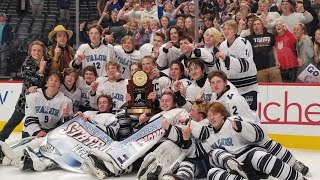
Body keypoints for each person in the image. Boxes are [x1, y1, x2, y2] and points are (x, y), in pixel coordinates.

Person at [208, 70, 309, 176]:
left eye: (218, 82)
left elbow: (242, 120)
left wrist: (245, 131)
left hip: (248, 130)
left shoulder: (233, 100)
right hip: (238, 134)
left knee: (268, 144)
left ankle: (294, 163)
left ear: (225, 82)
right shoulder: (215, 97)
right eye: (213, 82)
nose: (215, 85)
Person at [182, 102, 308, 180]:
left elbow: (259, 134)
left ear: (223, 115)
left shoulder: (233, 120)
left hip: (250, 158)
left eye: (214, 114)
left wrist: (241, 127)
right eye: (209, 115)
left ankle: (297, 176)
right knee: (212, 173)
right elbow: (195, 153)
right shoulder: (208, 134)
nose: (211, 118)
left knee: (261, 156)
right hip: (234, 168)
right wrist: (186, 139)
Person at [83, 92, 189, 179]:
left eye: (168, 101)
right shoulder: (154, 115)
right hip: (146, 143)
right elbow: (141, 132)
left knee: (163, 148)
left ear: (174, 103)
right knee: (132, 151)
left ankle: (153, 170)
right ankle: (107, 168)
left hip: (162, 142)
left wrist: (169, 127)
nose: (164, 103)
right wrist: (142, 123)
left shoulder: (180, 111)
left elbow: (184, 133)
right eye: (162, 101)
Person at [0, 72, 73, 168]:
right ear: (47, 81)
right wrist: (37, 131)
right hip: (31, 130)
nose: (53, 83)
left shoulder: (66, 100)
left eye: (56, 81)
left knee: (46, 148)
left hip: (49, 133)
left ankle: (16, 158)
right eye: (51, 80)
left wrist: (66, 116)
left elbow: (66, 126)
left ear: (60, 84)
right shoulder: (34, 95)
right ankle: (9, 153)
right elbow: (30, 116)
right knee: (33, 143)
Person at [0, 41, 50, 142]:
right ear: (30, 51)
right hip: (25, 100)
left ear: (43, 52)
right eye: (34, 50)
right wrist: (41, 70)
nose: (37, 52)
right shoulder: (27, 63)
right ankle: (1, 138)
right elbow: (34, 82)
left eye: (39, 50)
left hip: (41, 101)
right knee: (14, 120)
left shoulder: (47, 61)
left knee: (36, 123)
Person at [216, 20, 258, 111]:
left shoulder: (243, 43)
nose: (226, 31)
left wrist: (226, 58)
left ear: (235, 31)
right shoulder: (222, 45)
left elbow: (245, 65)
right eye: (224, 29)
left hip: (247, 88)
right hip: (231, 88)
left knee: (248, 115)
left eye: (229, 29)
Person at [247, 18, 282, 82]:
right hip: (259, 70)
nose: (256, 26)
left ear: (262, 26)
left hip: (272, 67)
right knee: (263, 91)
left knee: (278, 89)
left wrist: (277, 60)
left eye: (258, 24)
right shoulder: (249, 38)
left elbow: (274, 48)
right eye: (254, 25)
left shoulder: (270, 35)